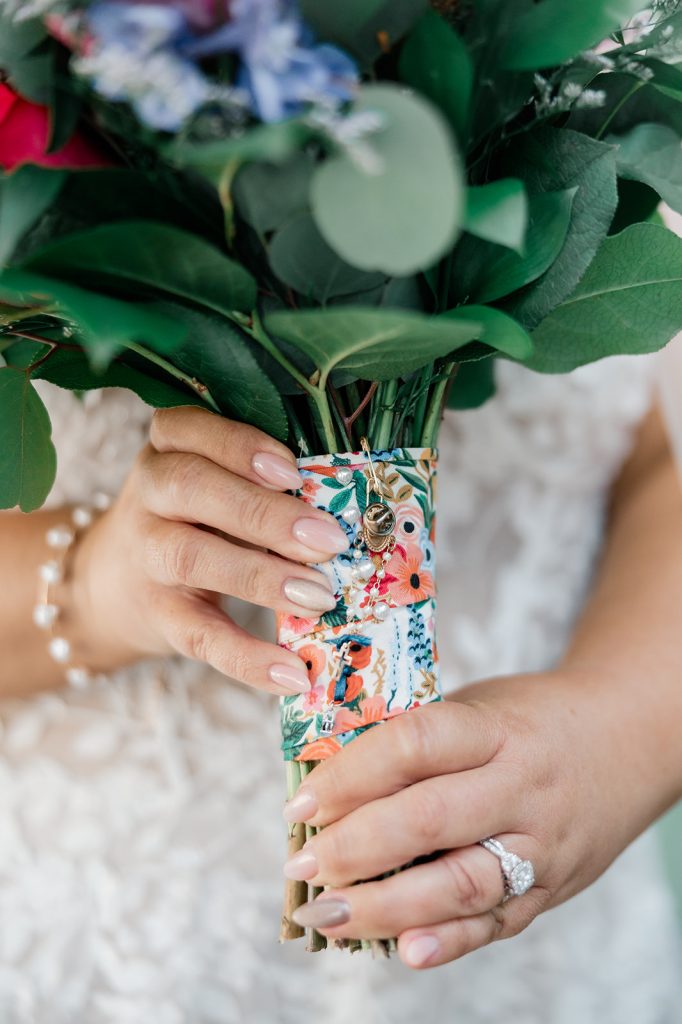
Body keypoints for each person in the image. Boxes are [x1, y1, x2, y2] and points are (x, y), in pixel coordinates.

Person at [0, 351, 679, 1023]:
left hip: (539, 927)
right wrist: (90, 582)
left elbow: (660, 462)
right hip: (112, 927)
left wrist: (619, 730)